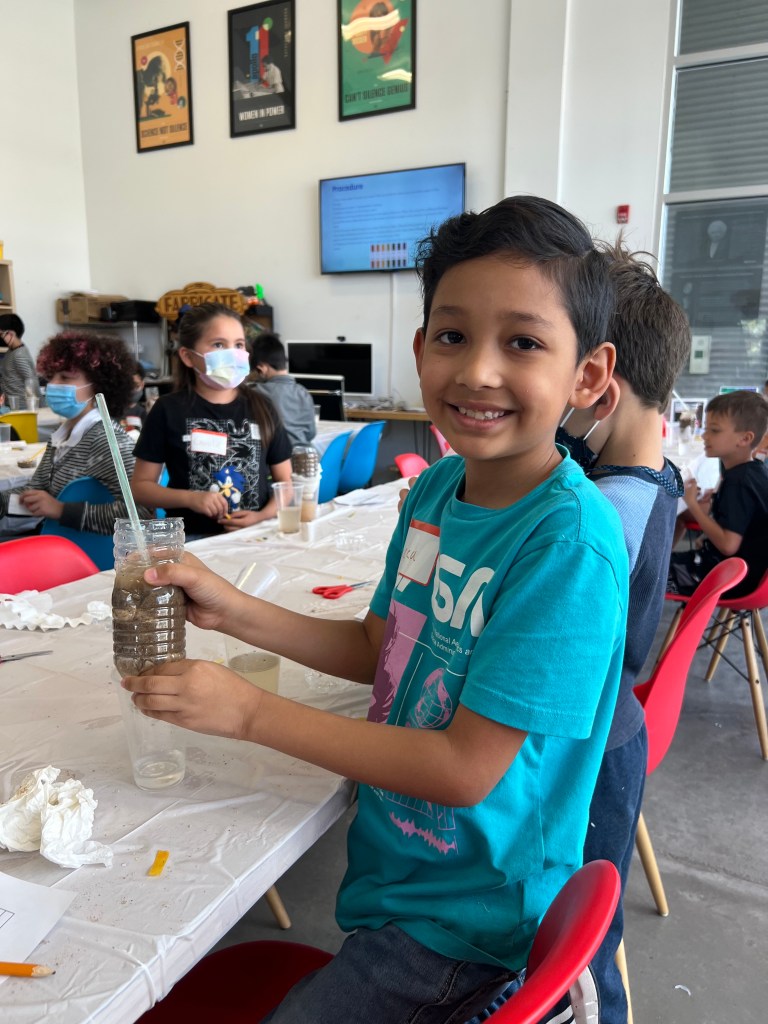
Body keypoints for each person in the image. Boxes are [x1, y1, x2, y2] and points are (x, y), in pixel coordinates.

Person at [121, 195, 628, 1023]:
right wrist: (235, 609)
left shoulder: (566, 546)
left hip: (470, 926)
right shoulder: (434, 488)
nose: (478, 371)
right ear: (422, 347)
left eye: (524, 342)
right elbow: (381, 645)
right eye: (454, 336)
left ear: (588, 376)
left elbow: (466, 770)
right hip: (398, 880)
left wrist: (249, 713)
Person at [543, 243, 690, 1024]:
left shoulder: (603, 517)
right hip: (614, 730)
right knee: (590, 927)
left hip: (593, 749)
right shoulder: (647, 478)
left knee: (580, 950)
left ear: (601, 384)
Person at [131, 302, 292, 537]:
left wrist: (262, 516)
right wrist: (190, 498)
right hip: (195, 540)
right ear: (187, 356)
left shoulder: (262, 406)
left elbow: (286, 483)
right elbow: (140, 488)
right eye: (218, 344)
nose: (231, 353)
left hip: (257, 534)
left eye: (238, 344)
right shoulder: (168, 409)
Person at [0, 331, 151, 534]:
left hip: (91, 556)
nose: (53, 385)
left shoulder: (107, 441)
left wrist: (61, 510)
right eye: (51, 376)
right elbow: (36, 491)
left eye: (65, 377)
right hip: (58, 542)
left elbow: (142, 512)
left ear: (98, 384)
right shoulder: (63, 435)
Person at [668, 390, 768, 600]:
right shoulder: (752, 471)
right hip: (743, 575)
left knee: (644, 573)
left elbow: (728, 545)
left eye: (714, 430)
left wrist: (692, 504)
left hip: (726, 579)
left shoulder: (738, 482)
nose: (704, 435)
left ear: (745, 438)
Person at [248, 333, 317, 447]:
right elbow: (311, 433)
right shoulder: (303, 392)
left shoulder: (257, 392)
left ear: (261, 368)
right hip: (306, 456)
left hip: (279, 459)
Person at [0, 313, 40, 405]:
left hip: (22, 407)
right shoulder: (11, 352)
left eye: (1, 334)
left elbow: (30, 379)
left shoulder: (19, 354)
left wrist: (32, 405)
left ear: (11, 334)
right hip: (11, 405)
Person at [120, 361, 147, 440]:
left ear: (142, 384)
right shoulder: (111, 411)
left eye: (135, 385)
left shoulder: (144, 412)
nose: (131, 389)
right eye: (127, 385)